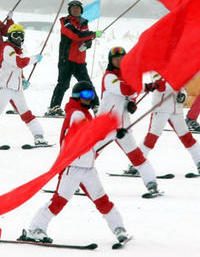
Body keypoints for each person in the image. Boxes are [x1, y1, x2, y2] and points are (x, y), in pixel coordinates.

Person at [21, 82, 131, 245]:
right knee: (59, 201)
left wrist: (114, 133)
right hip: (72, 167)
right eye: (85, 95)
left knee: (102, 199)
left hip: (88, 167)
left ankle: (119, 229)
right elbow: (89, 133)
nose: (88, 99)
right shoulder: (75, 114)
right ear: (77, 96)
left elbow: (92, 137)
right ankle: (35, 228)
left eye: (91, 95)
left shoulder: (84, 113)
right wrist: (113, 132)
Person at [98, 50, 162, 195]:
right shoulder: (109, 77)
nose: (119, 60)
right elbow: (126, 89)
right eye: (116, 58)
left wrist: (133, 101)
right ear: (110, 60)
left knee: (137, 156)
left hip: (123, 128)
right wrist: (139, 84)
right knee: (87, 155)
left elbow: (130, 93)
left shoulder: (126, 76)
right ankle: (68, 182)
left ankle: (151, 183)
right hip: (104, 127)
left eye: (122, 58)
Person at [141, 72, 200, 175]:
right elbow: (160, 86)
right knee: (151, 138)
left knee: (187, 137)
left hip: (176, 109)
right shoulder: (155, 69)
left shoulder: (175, 66)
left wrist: (183, 94)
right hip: (161, 109)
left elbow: (182, 86)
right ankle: (135, 164)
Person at [45, 0, 98, 117]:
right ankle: (54, 107)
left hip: (80, 61)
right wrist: (93, 34)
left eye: (78, 8)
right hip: (66, 59)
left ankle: (96, 106)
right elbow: (76, 35)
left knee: (87, 85)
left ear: (81, 10)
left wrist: (88, 43)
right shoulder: (66, 22)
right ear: (69, 10)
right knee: (63, 84)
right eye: (73, 8)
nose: (76, 10)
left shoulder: (84, 23)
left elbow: (84, 38)